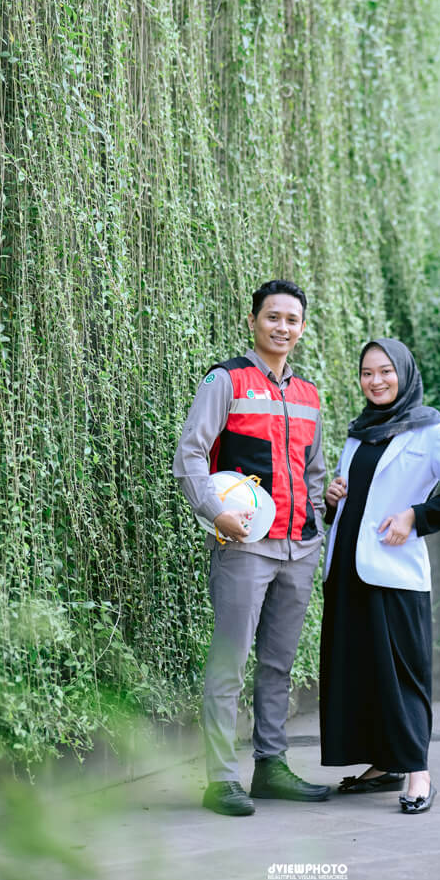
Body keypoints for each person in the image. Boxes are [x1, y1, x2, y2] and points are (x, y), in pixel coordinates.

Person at [173, 280, 330, 816]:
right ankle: (221, 780)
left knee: (279, 666)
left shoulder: (308, 395)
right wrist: (214, 513)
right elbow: (191, 453)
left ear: (302, 328)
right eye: (272, 317)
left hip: (298, 548)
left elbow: (313, 471)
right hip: (245, 546)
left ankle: (271, 768)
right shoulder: (226, 379)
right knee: (229, 665)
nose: (282, 327)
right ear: (253, 321)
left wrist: (317, 522)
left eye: (292, 319)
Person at [319, 338, 440, 814]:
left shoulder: (431, 429)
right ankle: (385, 764)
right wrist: (333, 499)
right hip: (348, 568)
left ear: (404, 374)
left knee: (403, 673)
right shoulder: (359, 432)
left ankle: (417, 772)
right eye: (367, 372)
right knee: (362, 671)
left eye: (386, 371)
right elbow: (358, 497)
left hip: (395, 572)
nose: (376, 381)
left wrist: (414, 516)